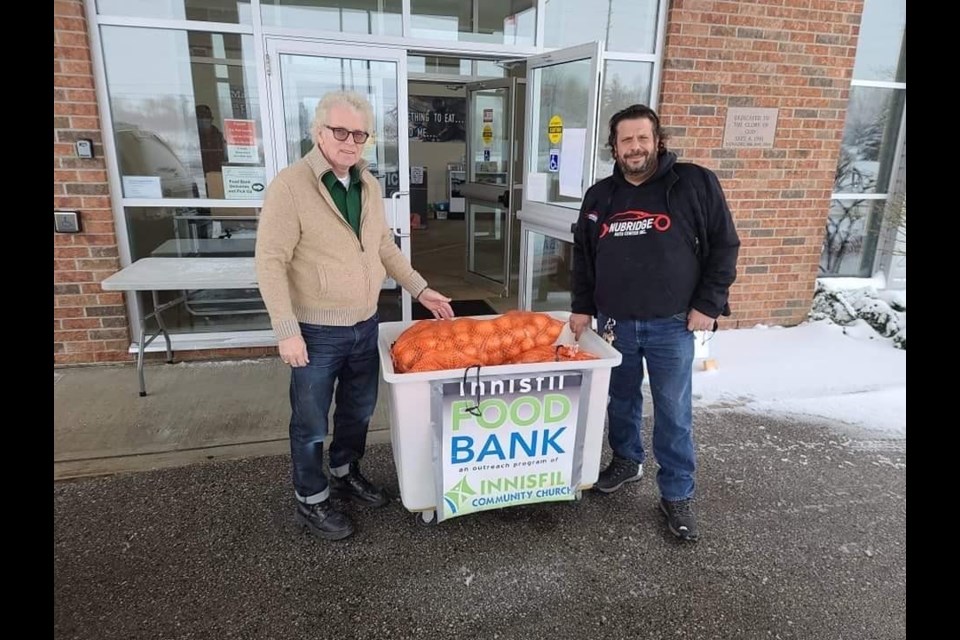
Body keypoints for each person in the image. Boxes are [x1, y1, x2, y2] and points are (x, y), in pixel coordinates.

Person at [255, 90, 455, 541]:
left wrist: (420, 289)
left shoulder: (368, 184)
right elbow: (270, 262)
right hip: (316, 331)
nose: (350, 141)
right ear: (318, 132)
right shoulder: (291, 186)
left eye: (359, 134)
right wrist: (287, 331)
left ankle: (345, 472)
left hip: (365, 324)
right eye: (340, 131)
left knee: (357, 411)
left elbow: (383, 246)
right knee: (309, 423)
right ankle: (311, 498)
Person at [570, 104, 740, 542]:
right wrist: (581, 306)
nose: (635, 147)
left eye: (642, 138)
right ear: (614, 147)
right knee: (620, 401)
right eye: (626, 140)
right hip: (614, 324)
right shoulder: (600, 196)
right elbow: (584, 259)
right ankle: (627, 460)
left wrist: (709, 303)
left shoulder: (694, 183)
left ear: (657, 139)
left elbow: (725, 246)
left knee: (673, 412)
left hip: (672, 325)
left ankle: (677, 493)